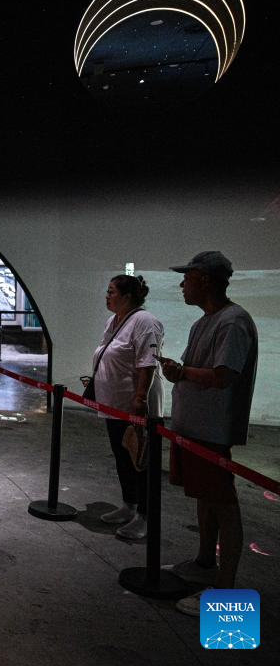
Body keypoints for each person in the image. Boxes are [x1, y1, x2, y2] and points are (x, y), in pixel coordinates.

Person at [157, 251, 258, 617]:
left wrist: (182, 372)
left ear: (204, 279)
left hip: (213, 430)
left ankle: (225, 592)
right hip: (194, 429)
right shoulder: (205, 321)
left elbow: (223, 375)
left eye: (187, 277)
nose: (182, 284)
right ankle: (204, 563)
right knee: (206, 498)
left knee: (222, 503)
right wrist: (179, 371)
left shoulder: (233, 321)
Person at [88, 275, 164, 540]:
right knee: (122, 456)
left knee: (140, 460)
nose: (107, 296)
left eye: (111, 292)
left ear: (128, 296)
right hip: (114, 404)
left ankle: (145, 516)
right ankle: (129, 504)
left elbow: (147, 363)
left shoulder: (144, 322)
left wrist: (139, 399)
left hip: (134, 406)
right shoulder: (114, 321)